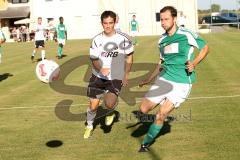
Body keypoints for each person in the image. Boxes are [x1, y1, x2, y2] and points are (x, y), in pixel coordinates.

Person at [137, 6, 209, 152]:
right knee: (143, 109)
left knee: (160, 115)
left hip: (182, 82)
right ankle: (163, 99)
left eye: (166, 19)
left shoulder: (186, 34)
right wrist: (148, 79)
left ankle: (145, 143)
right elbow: (161, 62)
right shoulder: (162, 40)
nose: (163, 22)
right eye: (161, 19)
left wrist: (194, 64)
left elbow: (205, 47)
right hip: (164, 79)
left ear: (174, 19)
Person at [84, 10, 134, 139]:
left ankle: (110, 112)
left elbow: (129, 57)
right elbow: (94, 59)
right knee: (93, 106)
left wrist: (126, 75)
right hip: (97, 76)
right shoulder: (96, 40)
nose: (108, 26)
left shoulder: (123, 39)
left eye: (110, 23)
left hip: (116, 76)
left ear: (115, 22)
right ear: (102, 23)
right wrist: (101, 69)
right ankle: (89, 126)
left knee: (110, 103)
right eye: (105, 23)